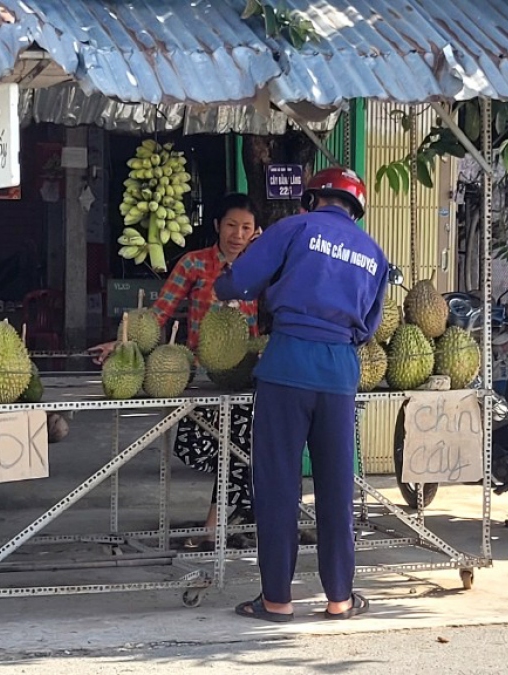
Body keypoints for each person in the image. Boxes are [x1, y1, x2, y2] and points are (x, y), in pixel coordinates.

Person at [214, 167, 387, 622]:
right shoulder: (374, 252)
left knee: (277, 487)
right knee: (336, 488)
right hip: (339, 375)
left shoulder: (295, 228)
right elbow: (368, 326)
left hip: (287, 365)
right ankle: (340, 599)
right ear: (356, 209)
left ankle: (276, 600)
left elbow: (239, 282)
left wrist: (227, 283)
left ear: (312, 198)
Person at [91, 193, 261, 547]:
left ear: (255, 231)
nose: (238, 234)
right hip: (200, 375)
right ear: (217, 226)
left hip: (246, 376)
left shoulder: (262, 267)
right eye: (231, 225)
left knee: (241, 446)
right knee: (195, 447)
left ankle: (215, 524)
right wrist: (123, 343)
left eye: (246, 228)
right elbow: (159, 314)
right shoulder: (194, 264)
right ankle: (242, 511)